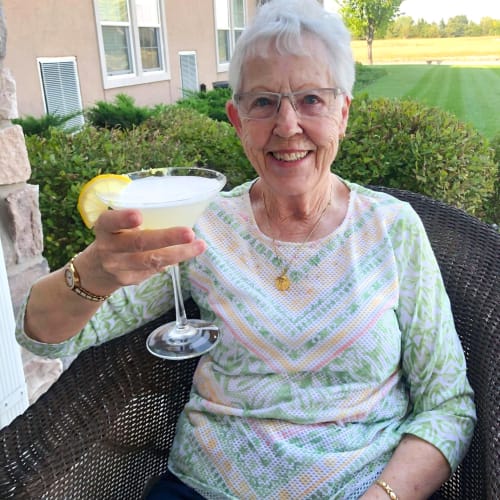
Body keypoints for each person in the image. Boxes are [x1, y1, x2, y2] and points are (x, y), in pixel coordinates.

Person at [16, 0, 476, 498]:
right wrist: (96, 269)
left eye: (311, 100)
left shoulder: (393, 229)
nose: (286, 124)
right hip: (202, 488)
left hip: (355, 487)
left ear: (342, 114)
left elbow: (448, 406)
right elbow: (44, 336)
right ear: (236, 119)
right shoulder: (204, 226)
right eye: (263, 102)